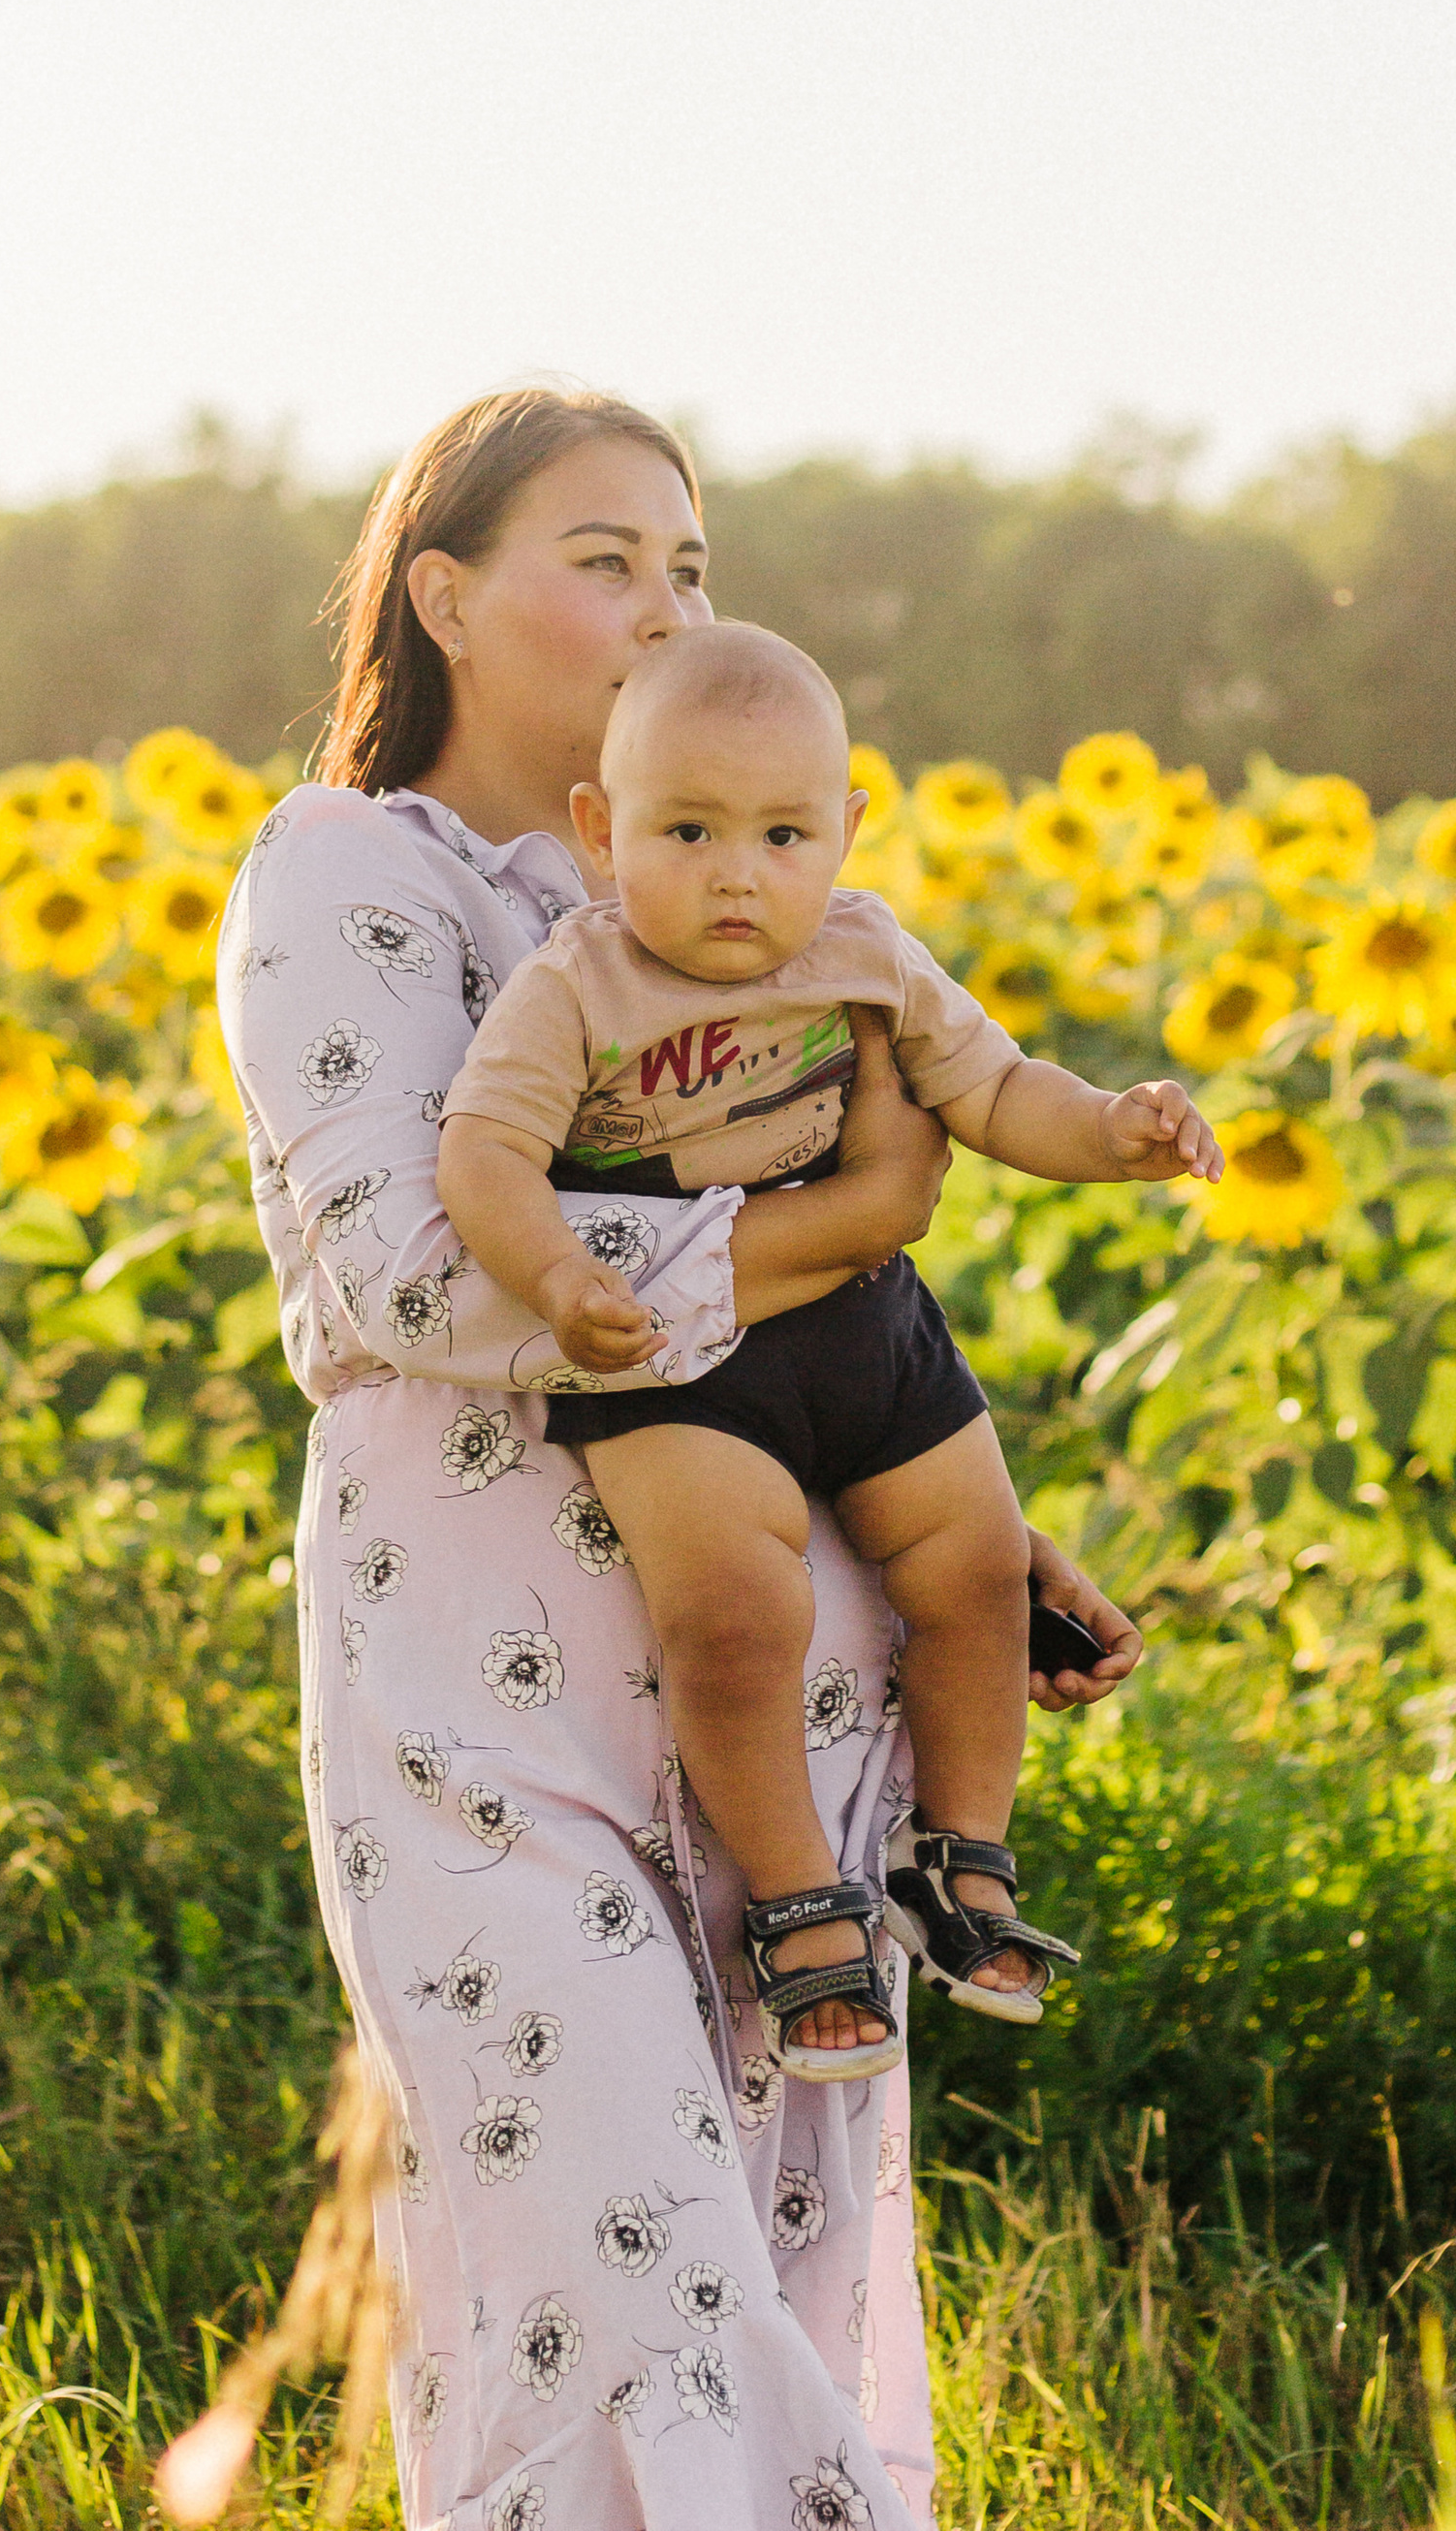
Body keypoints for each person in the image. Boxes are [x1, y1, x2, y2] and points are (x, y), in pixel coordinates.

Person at [219, 385, 1145, 2531]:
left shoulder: (719, 895)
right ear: (443, 596)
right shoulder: (349, 874)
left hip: (784, 1766)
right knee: (622, 2298)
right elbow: (397, 1274)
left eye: (693, 567)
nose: (664, 608)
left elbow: (842, 1339)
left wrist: (996, 1542)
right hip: (490, 1733)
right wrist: (827, 1221)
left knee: (773, 2275)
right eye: (605, 559)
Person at [434, 619, 1219, 2084]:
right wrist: (555, 1271)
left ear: (848, 830)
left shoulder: (865, 952)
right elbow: (483, 1151)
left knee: (978, 1567)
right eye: (689, 830)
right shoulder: (579, 984)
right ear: (603, 833)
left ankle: (963, 1857)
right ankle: (802, 1901)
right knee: (736, 1621)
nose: (739, 873)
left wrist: (1113, 1132)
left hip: (869, 1328)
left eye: (784, 832)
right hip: (682, 1358)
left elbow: (995, 1088)